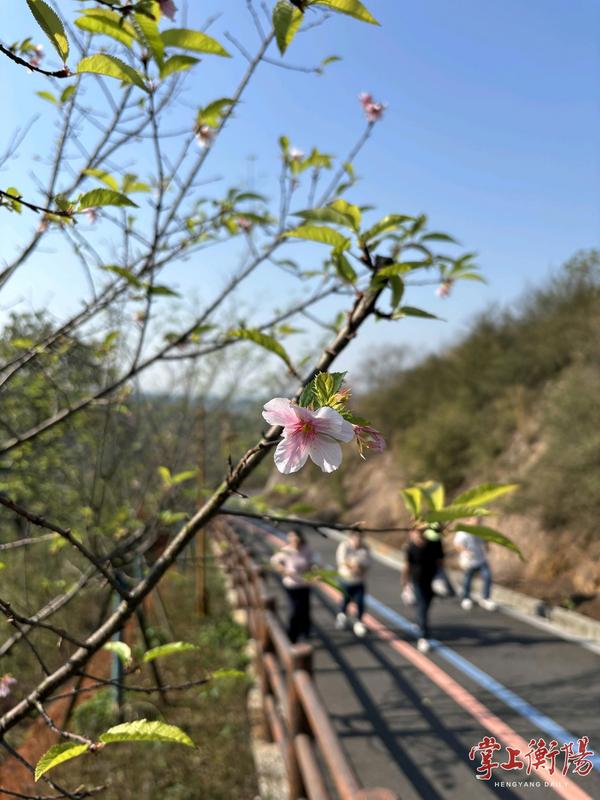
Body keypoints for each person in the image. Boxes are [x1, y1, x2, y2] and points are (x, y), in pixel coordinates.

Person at [403, 527, 445, 653]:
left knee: (426, 604)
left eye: (421, 533)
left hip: (430, 580)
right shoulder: (410, 547)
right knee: (422, 605)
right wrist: (405, 580)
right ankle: (423, 637)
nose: (418, 536)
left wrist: (440, 577)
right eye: (416, 533)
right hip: (417, 580)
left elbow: (440, 560)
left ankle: (419, 623)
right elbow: (407, 565)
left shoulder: (434, 543)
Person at [270, 530, 316, 643]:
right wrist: (281, 569)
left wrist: (314, 572)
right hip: (292, 585)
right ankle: (292, 635)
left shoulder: (307, 549)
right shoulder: (286, 551)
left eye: (296, 538)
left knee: (305, 609)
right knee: (295, 610)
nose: (294, 540)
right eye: (291, 537)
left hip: (305, 584)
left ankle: (306, 631)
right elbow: (274, 561)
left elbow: (314, 562)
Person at [335, 531, 370, 637]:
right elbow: (341, 560)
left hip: (359, 580)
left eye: (360, 536)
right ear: (351, 536)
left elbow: (368, 563)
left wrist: (360, 568)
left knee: (360, 601)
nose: (358, 539)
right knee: (346, 600)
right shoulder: (344, 546)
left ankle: (359, 621)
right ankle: (342, 616)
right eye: (356, 536)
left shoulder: (365, 548)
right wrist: (352, 566)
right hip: (346, 579)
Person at [454, 527, 497, 611]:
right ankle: (466, 598)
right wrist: (464, 551)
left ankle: (486, 598)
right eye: (475, 519)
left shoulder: (481, 530)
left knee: (487, 576)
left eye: (479, 519)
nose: (477, 521)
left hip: (481, 560)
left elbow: (486, 542)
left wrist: (487, 545)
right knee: (468, 579)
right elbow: (457, 544)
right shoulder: (463, 531)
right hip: (469, 560)